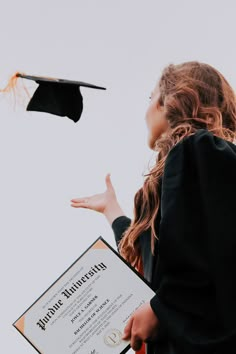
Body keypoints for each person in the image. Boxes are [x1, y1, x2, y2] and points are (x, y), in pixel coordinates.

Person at [71, 61, 236, 354]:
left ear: (169, 101)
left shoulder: (199, 150)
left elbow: (212, 252)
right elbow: (157, 261)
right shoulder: (180, 171)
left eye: (151, 98)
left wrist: (162, 309)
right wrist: (113, 212)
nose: (146, 110)